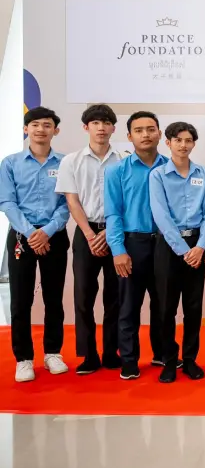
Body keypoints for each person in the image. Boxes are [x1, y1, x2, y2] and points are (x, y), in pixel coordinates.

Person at [54, 104, 125, 374]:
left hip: (116, 232)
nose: (102, 127)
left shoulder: (123, 159)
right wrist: (90, 234)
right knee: (83, 296)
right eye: (96, 123)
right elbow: (72, 200)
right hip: (85, 233)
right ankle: (89, 354)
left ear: (113, 128)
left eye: (107, 123)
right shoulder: (71, 161)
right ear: (86, 127)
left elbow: (127, 201)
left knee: (115, 296)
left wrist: (108, 233)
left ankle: (111, 352)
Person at [1, 107, 70, 382]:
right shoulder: (10, 163)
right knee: (20, 300)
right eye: (35, 124)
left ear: (56, 130)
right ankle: (24, 358)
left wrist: (48, 231)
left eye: (47, 125)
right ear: (26, 129)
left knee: (54, 298)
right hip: (21, 236)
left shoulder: (66, 163)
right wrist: (32, 233)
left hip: (55, 236)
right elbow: (7, 202)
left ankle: (53, 352)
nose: (41, 129)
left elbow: (68, 202)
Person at [104, 111, 167, 380]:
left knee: (164, 304)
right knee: (128, 306)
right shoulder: (116, 170)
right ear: (129, 136)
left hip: (165, 244)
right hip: (132, 243)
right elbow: (113, 213)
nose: (145, 134)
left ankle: (163, 353)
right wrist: (118, 250)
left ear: (160, 134)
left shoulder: (171, 167)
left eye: (151, 129)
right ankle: (129, 360)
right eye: (139, 130)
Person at [149, 122, 205, 383]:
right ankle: (168, 359)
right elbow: (160, 214)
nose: (183, 145)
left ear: (194, 143)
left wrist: (201, 245)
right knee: (166, 307)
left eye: (188, 140)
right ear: (168, 143)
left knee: (193, 307)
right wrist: (184, 250)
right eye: (178, 140)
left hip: (197, 244)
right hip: (169, 246)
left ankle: (189, 360)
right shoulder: (158, 175)